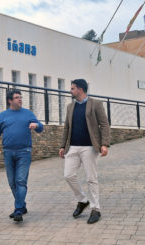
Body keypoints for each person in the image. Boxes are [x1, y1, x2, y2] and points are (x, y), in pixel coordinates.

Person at [59, 79, 111, 224]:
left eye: (72, 88)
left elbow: (104, 125)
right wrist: (62, 146)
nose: (71, 91)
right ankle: (82, 200)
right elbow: (66, 128)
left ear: (80, 89)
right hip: (73, 147)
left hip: (89, 147)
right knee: (68, 175)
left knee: (91, 178)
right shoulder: (70, 107)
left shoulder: (95, 104)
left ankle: (96, 209)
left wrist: (105, 144)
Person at [0, 89, 43, 222]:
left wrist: (36, 125)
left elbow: (41, 127)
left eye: (20, 97)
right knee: (12, 183)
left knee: (20, 181)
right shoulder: (3, 116)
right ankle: (22, 206)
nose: (20, 99)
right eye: (17, 97)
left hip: (24, 152)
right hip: (8, 152)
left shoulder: (28, 113)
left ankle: (18, 210)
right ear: (10, 100)